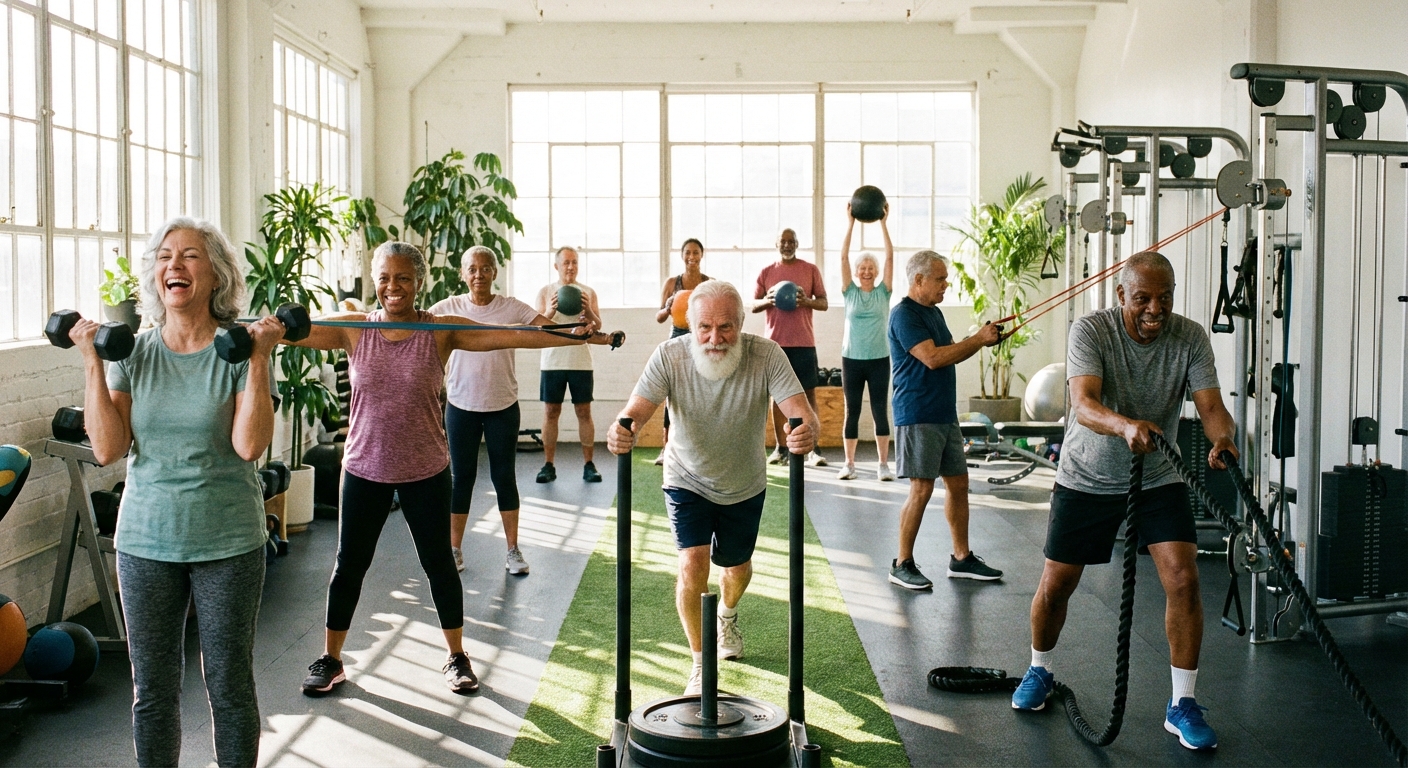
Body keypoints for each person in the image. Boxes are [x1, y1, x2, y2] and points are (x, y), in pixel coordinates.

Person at [292, 241, 617, 698]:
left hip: (425, 468)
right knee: (349, 566)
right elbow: (294, 332)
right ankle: (332, 659)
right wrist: (266, 326)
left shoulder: (440, 330)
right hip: (364, 467)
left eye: (403, 277)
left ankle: (457, 656)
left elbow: (516, 335)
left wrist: (573, 334)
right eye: (384, 277)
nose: (392, 287)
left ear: (419, 281)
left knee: (440, 565)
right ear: (374, 280)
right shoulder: (354, 328)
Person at [73, 217, 284, 767]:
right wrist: (92, 361)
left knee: (230, 687)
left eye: (190, 256)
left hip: (229, 541)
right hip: (146, 541)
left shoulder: (238, 352)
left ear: (216, 275)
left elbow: (249, 447)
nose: (175, 265)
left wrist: (260, 359)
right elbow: (107, 448)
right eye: (166, 256)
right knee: (153, 692)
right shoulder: (132, 352)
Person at [1011, 251, 1232, 753]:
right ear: (1120, 296)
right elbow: (1084, 404)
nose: (1155, 309)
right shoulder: (1091, 332)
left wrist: (1223, 439)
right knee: (1058, 584)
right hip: (1087, 475)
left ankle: (1182, 704)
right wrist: (1126, 425)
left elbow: (1212, 406)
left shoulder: (1190, 337)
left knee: (1184, 577)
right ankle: (1040, 669)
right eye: (1143, 299)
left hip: (1157, 476)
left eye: (1165, 298)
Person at [608, 279, 819, 694]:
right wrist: (621, 428)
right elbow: (636, 409)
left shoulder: (766, 355)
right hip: (686, 477)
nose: (714, 338)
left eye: (726, 328)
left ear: (742, 324)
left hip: (744, 481)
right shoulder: (670, 356)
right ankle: (700, 663)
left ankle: (726, 615)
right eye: (704, 327)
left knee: (736, 569)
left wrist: (806, 431)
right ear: (690, 324)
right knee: (692, 565)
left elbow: (802, 412)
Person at [431, 245, 554, 577]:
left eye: (485, 268)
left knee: (504, 478)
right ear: (463, 274)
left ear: (494, 273)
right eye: (472, 269)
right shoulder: (447, 308)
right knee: (461, 479)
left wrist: (583, 332)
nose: (478, 275)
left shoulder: (510, 307)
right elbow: (414, 325)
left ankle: (513, 550)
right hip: (461, 407)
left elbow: (547, 329)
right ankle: (454, 550)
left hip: (502, 406)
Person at [887, 250, 1004, 590]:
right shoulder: (904, 315)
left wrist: (985, 341)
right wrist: (978, 340)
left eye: (945, 278)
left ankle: (961, 557)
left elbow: (952, 350)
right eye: (940, 279)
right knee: (921, 488)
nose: (946, 284)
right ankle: (902, 563)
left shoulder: (934, 313)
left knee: (958, 483)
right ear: (918, 280)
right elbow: (934, 359)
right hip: (917, 412)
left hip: (943, 412)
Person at [751, 228, 828, 468]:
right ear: (777, 244)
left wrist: (806, 301)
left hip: (804, 343)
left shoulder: (810, 270)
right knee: (777, 396)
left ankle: (814, 448)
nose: (787, 245)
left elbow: (824, 303)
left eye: (791, 241)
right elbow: (753, 304)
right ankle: (781, 448)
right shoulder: (767, 272)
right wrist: (769, 300)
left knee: (809, 394)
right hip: (776, 344)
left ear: (797, 243)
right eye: (783, 241)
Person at [535, 246, 604, 483]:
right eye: (566, 263)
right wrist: (550, 310)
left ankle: (589, 464)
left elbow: (597, 324)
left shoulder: (588, 292)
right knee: (551, 412)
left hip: (580, 361)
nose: (571, 267)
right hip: (552, 361)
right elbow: (537, 327)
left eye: (574, 262)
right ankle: (548, 465)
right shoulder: (546, 292)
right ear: (557, 266)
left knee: (584, 412)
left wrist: (588, 314)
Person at [837, 203, 895, 481]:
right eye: (863, 267)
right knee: (852, 411)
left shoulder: (884, 292)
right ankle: (849, 464)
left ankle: (883, 465)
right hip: (852, 359)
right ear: (857, 272)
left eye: (871, 267)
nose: (867, 270)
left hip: (879, 359)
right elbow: (843, 258)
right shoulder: (850, 292)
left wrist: (883, 222)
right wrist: (850, 223)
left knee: (879, 411)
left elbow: (891, 258)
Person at [652, 238, 711, 465]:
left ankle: (702, 447)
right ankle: (666, 448)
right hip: (677, 336)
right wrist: (667, 308)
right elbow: (659, 318)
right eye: (688, 252)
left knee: (704, 389)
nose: (692, 257)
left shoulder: (709, 283)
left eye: (696, 252)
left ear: (701, 255)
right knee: (672, 393)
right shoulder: (672, 283)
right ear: (682, 255)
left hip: (702, 337)